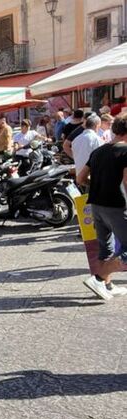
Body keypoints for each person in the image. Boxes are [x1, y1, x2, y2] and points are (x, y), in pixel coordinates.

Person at [77, 114, 127, 300]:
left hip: (96, 204)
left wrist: (100, 184)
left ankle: (107, 285)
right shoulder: (125, 152)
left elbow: (80, 178)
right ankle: (98, 279)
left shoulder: (98, 152)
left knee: (105, 248)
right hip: (117, 205)